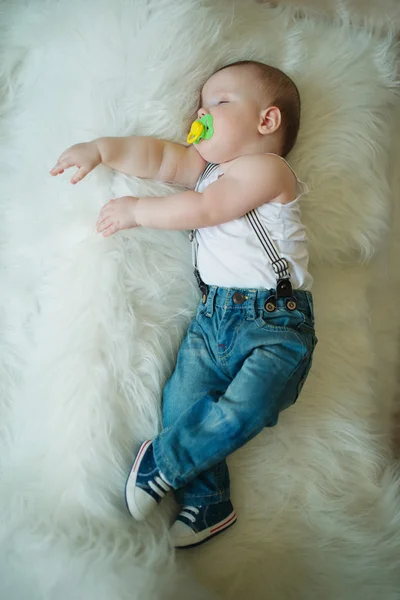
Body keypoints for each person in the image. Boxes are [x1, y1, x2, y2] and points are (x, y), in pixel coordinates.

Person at [51, 60, 317, 549]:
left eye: (219, 102)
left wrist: (138, 211)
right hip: (212, 320)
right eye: (200, 103)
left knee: (245, 409)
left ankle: (164, 464)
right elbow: (157, 158)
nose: (201, 111)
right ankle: (209, 500)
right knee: (181, 404)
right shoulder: (206, 168)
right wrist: (102, 150)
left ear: (267, 122)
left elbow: (209, 209)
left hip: (275, 327)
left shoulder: (267, 169)